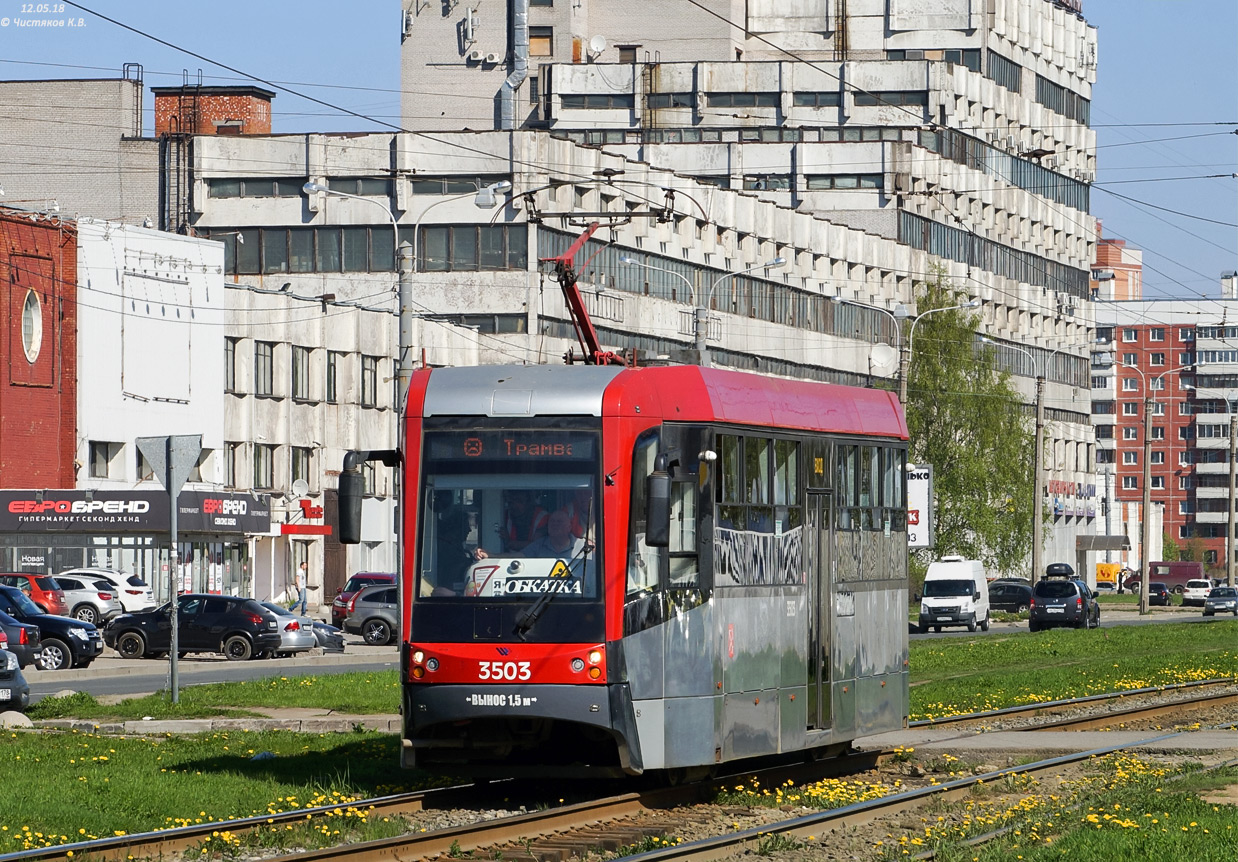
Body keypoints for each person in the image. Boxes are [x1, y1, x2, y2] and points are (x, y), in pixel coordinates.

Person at [522, 509, 591, 560]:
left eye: (559, 521)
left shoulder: (583, 546)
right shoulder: (539, 545)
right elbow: (520, 556)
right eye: (552, 521)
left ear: (569, 527)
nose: (555, 524)